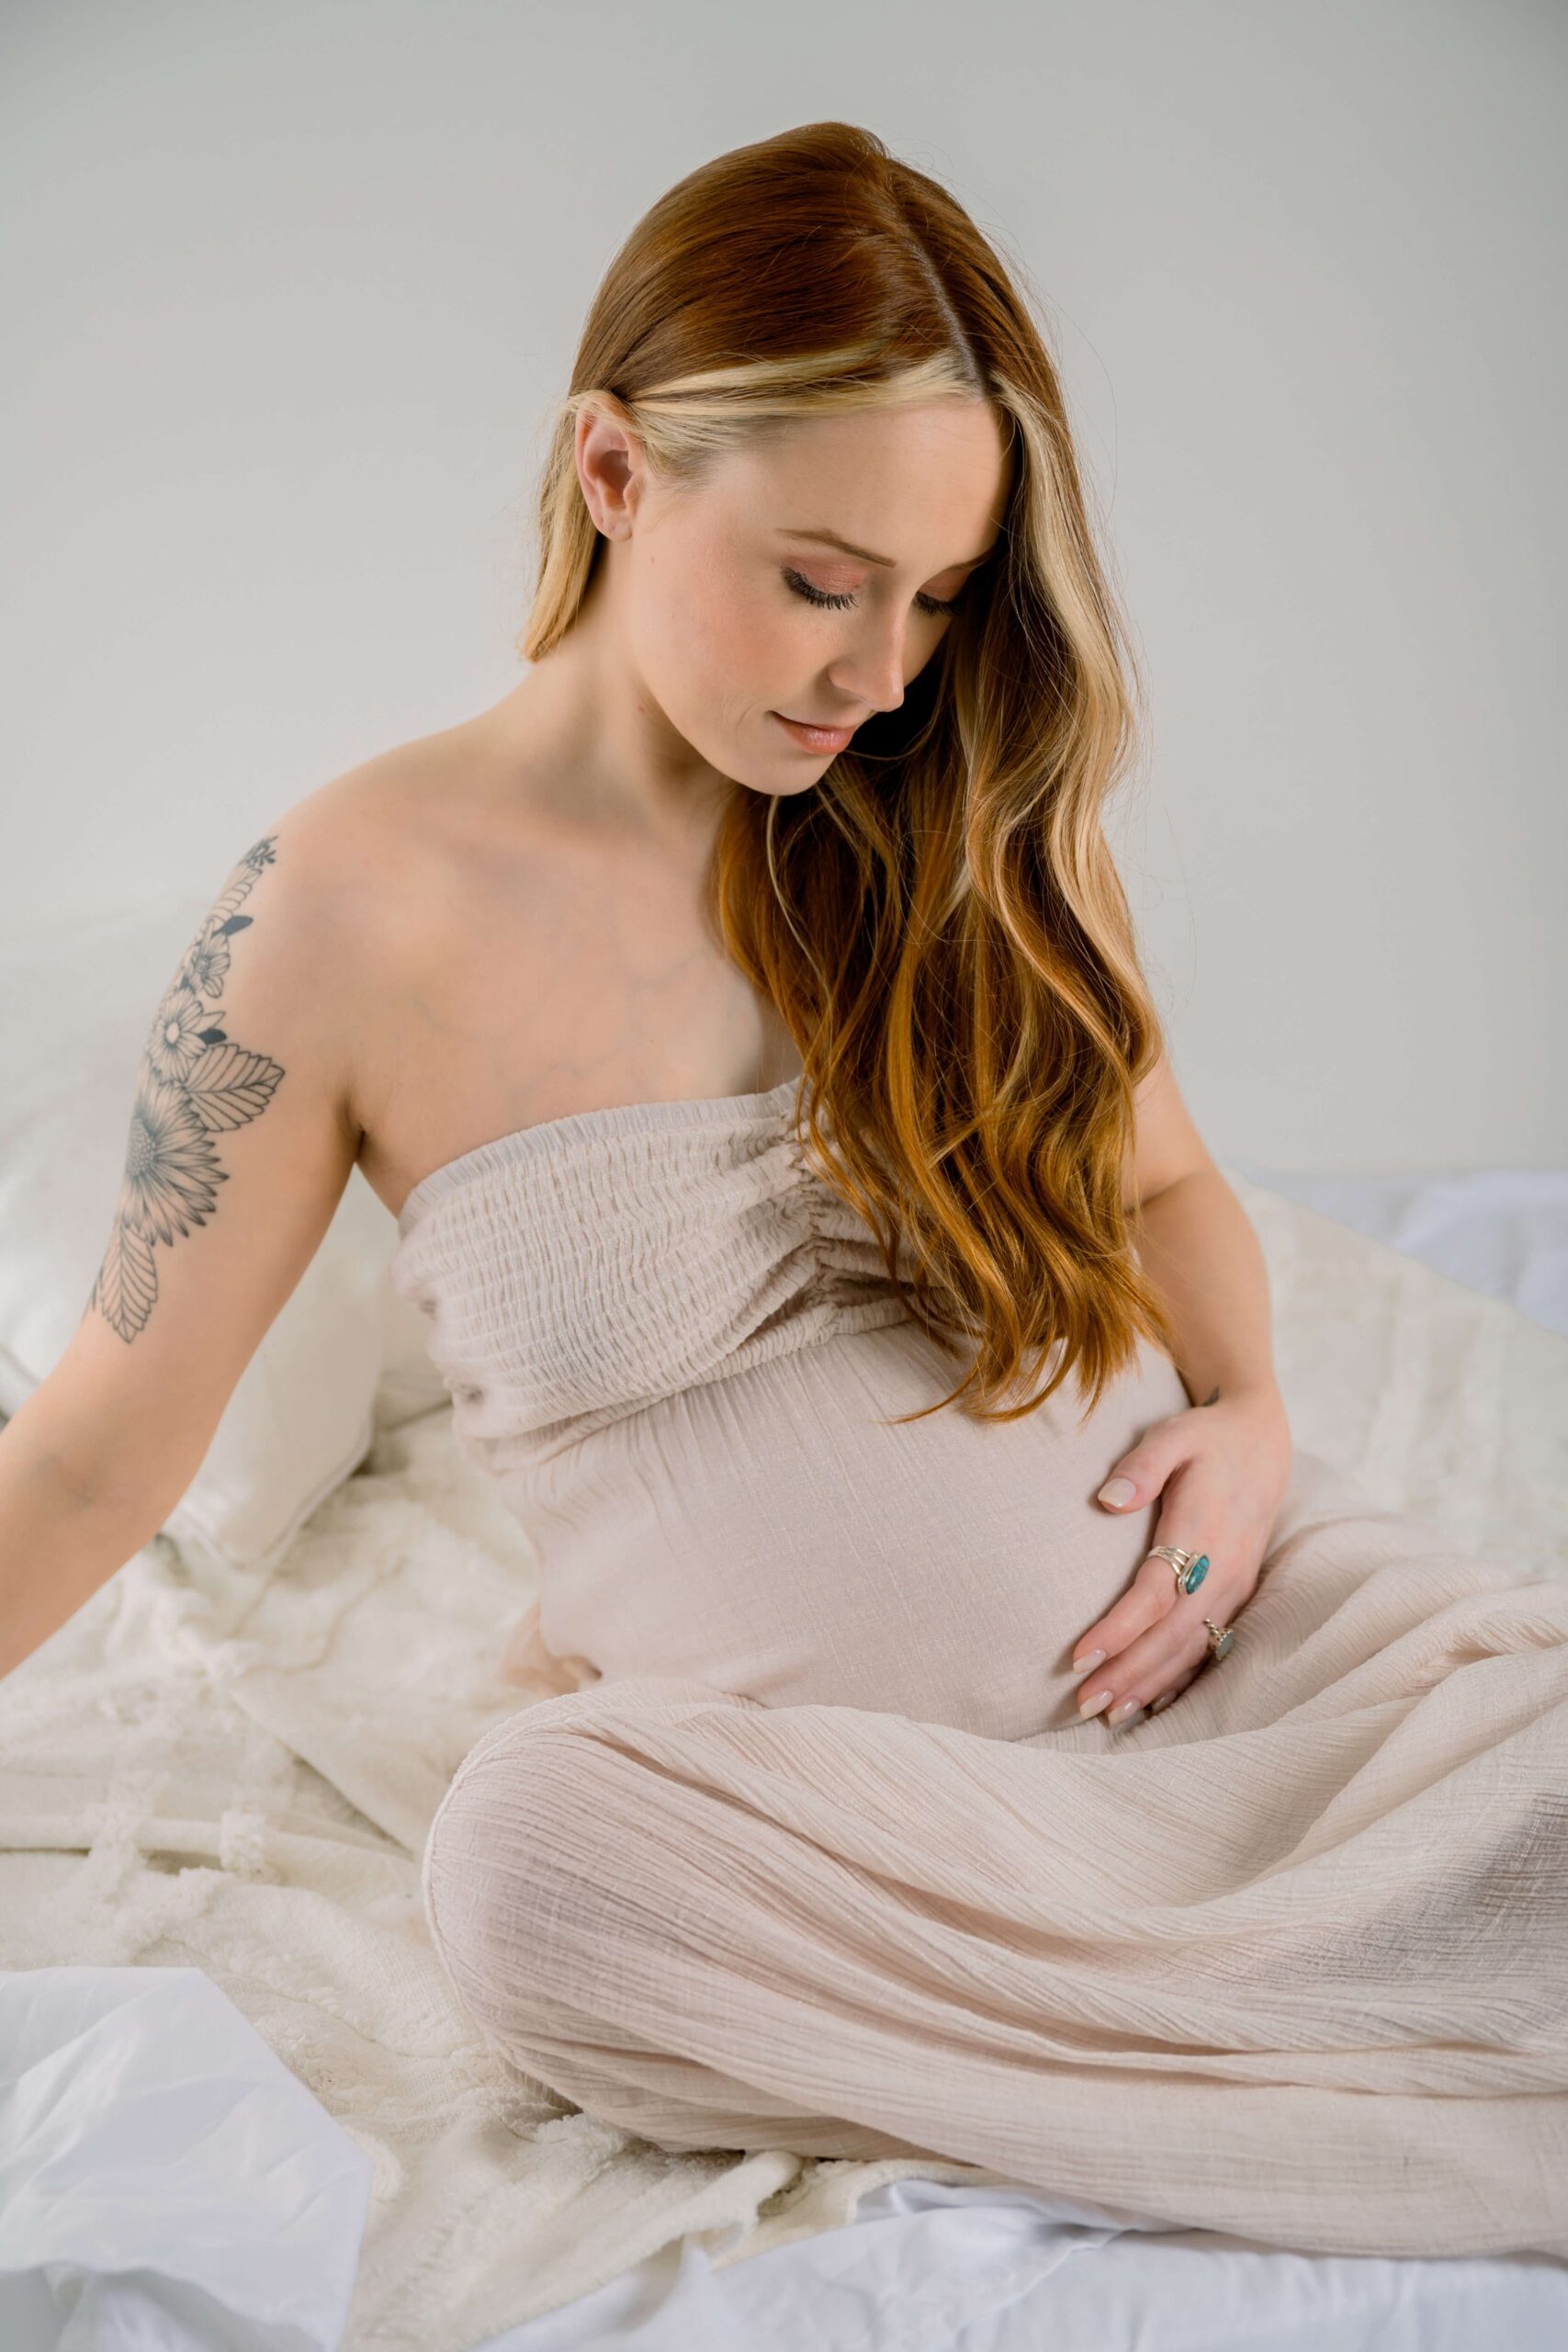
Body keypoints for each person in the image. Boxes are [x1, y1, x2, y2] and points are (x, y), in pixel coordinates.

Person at [4, 120, 1565, 2264]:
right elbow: (95, 1453)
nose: (881, 674)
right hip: (844, 1839)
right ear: (612, 467)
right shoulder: (348, 912)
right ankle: (1241, 2017)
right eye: (822, 580)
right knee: (527, 1869)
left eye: (934, 597)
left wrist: (1254, 1421)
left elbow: (1180, 1183)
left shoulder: (949, 823)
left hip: (1244, 1669)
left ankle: (1252, 1986)